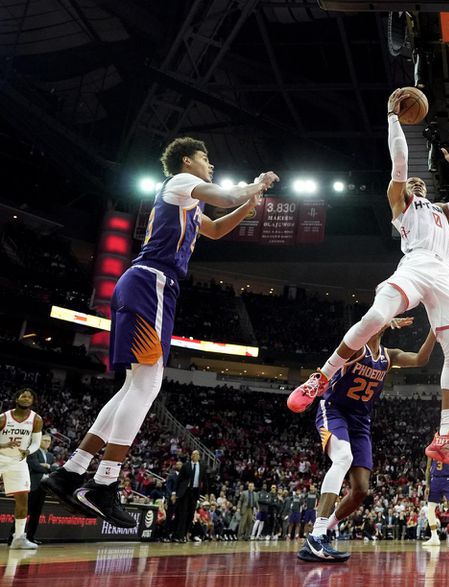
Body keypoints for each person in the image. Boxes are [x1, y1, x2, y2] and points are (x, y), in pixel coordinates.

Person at [42, 137, 277, 528]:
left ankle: (71, 471)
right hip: (152, 281)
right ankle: (104, 483)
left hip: (144, 282)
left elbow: (216, 229)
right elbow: (223, 197)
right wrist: (254, 185)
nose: (212, 165)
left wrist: (250, 203)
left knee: (132, 386)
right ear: (187, 161)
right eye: (206, 158)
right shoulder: (179, 183)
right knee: (148, 386)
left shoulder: (186, 198)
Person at [288, 89, 449, 472]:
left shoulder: (440, 208)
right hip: (414, 264)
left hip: (444, 273)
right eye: (413, 183)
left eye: (422, 183)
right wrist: (393, 116)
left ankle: (445, 436)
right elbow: (401, 162)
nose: (419, 184)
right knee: (377, 318)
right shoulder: (401, 200)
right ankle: (320, 378)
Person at [296, 317, 437, 563]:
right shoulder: (356, 347)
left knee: (361, 490)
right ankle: (316, 535)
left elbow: (420, 359)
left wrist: (436, 329)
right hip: (335, 410)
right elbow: (333, 361)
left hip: (361, 421)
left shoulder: (388, 355)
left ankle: (324, 532)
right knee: (343, 458)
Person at [1, 388, 43, 550]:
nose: (26, 399)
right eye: (23, 396)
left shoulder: (36, 419)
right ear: (17, 399)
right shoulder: (4, 417)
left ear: (33, 401)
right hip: (0, 457)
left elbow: (36, 443)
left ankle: (18, 538)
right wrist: (3, 445)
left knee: (23, 498)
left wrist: (28, 451)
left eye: (29, 397)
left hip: (18, 461)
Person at [25, 433, 56, 545]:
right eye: (44, 440)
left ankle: (30, 537)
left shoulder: (51, 456)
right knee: (25, 512)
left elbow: (55, 469)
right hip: (33, 486)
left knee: (36, 515)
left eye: (48, 441)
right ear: (39, 441)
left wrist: (47, 466)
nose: (47, 442)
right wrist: (48, 468)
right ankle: (14, 536)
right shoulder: (33, 451)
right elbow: (34, 466)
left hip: (43, 488)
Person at [172, 450, 206, 542]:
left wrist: (206, 494)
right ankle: (179, 536)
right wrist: (174, 493)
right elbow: (179, 480)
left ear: (199, 456)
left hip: (195, 492)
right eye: (194, 454)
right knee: (183, 514)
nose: (195, 456)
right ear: (191, 456)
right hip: (185, 492)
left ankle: (185, 534)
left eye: (197, 454)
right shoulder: (186, 465)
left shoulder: (202, 466)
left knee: (191, 514)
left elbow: (204, 480)